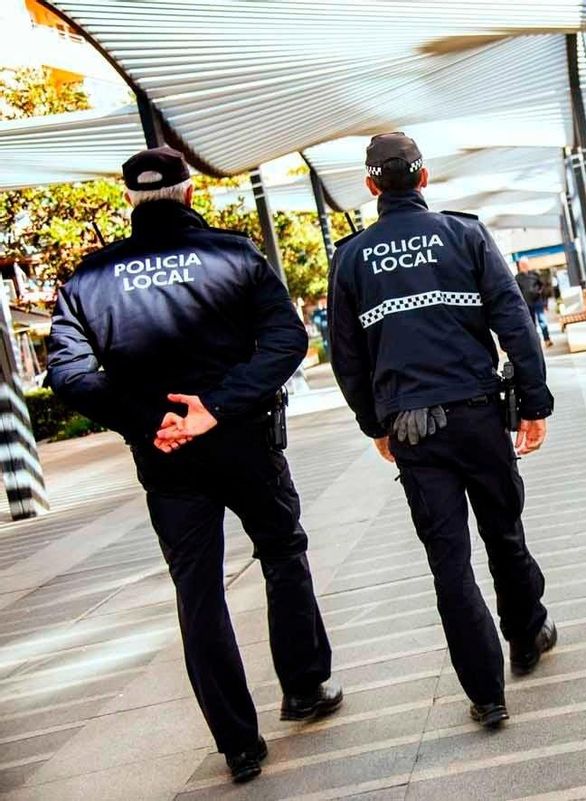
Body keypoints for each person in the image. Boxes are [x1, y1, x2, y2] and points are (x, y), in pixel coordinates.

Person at [45, 147, 340, 784]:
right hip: (243, 436)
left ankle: (238, 745)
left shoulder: (88, 279)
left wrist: (150, 419)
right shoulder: (234, 254)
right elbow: (288, 339)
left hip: (166, 457)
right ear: (187, 191)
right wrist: (218, 406)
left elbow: (67, 374)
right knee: (282, 551)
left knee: (197, 590)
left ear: (130, 200)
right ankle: (304, 688)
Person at [328, 132, 557, 729]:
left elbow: (347, 356)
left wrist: (372, 423)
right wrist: (534, 402)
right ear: (423, 179)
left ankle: (486, 696)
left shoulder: (351, 258)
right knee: (503, 530)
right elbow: (514, 322)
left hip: (411, 430)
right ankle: (526, 635)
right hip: (478, 412)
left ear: (372, 186)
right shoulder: (466, 234)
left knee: (449, 562)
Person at [515, 258, 553, 347]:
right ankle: (536, 342)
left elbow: (543, 286)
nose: (524, 266)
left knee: (542, 320)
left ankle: (547, 339)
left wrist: (543, 299)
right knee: (531, 324)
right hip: (526, 304)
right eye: (522, 264)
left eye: (525, 264)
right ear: (519, 266)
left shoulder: (535, 275)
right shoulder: (517, 278)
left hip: (538, 302)